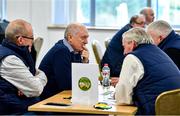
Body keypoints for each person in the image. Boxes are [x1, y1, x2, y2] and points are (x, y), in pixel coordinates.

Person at [115, 27, 180, 115]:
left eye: (124, 46)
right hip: (174, 110)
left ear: (132, 43)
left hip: (153, 110)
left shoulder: (133, 57)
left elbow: (122, 99)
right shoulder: (160, 52)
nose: (124, 52)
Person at [0, 19, 47, 114]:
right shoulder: (10, 60)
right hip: (14, 111)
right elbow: (36, 89)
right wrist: (31, 84)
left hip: (23, 107)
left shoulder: (17, 55)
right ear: (21, 40)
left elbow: (40, 74)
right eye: (31, 38)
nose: (32, 42)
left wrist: (29, 84)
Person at [39, 23, 89, 100]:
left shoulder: (75, 51)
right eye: (83, 38)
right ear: (70, 37)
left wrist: (85, 62)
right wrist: (83, 65)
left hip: (61, 95)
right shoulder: (61, 51)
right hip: (50, 100)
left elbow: (80, 80)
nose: (86, 42)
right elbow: (67, 85)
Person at [101, 14, 145, 86]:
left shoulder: (129, 30)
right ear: (133, 23)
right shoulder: (128, 33)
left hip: (113, 63)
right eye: (141, 23)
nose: (144, 26)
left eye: (144, 23)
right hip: (113, 67)